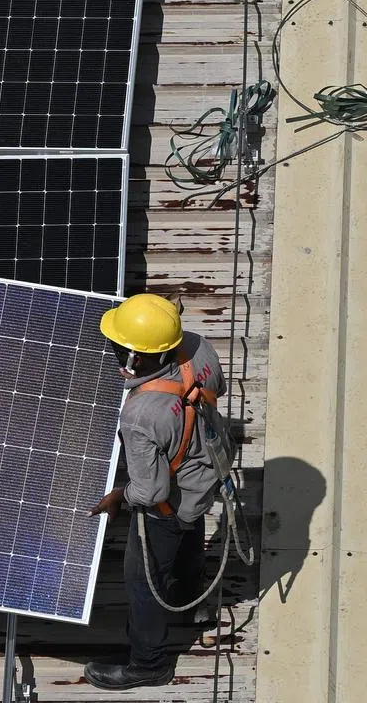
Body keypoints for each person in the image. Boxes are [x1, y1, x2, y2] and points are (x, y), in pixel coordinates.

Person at [84, 293, 226, 690]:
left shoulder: (141, 415)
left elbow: (150, 490)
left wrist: (119, 497)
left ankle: (149, 665)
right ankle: (191, 596)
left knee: (143, 581)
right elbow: (219, 389)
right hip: (204, 475)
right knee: (190, 532)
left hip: (170, 500)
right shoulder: (199, 346)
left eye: (119, 345)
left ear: (139, 359)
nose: (113, 349)